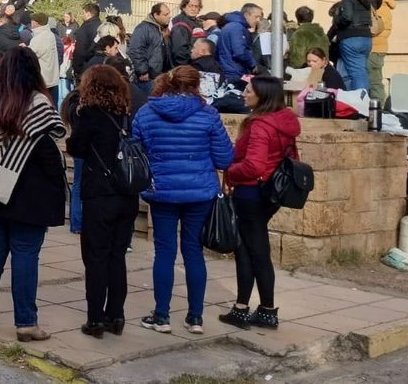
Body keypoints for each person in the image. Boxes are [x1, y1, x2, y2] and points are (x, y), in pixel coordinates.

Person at [0, 47, 65, 341]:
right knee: (25, 254)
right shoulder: (37, 103)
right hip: (29, 193)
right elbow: (47, 150)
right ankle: (26, 323)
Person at [131, 66, 234, 334]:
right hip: (199, 192)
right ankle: (195, 317)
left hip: (162, 190)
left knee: (164, 252)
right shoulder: (208, 115)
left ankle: (162, 315)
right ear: (196, 85)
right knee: (193, 252)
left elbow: (136, 153)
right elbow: (225, 159)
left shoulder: (146, 113)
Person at [220, 76, 299, 331]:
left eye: (249, 90)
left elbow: (254, 165)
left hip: (251, 192)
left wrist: (231, 172)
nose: (244, 94)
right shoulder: (284, 123)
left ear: (262, 96)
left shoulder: (260, 126)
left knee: (251, 251)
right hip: (269, 195)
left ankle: (252, 309)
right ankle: (258, 309)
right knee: (255, 249)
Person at [66, 66, 138, 338]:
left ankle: (95, 319)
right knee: (116, 257)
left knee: (95, 258)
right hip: (126, 194)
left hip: (99, 194)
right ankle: (116, 315)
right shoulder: (126, 115)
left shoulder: (90, 115)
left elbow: (77, 147)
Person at [328, 0, 377, 91]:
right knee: (360, 71)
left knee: (355, 74)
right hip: (366, 38)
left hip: (351, 38)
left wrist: (338, 22)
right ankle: (357, 100)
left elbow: (347, 17)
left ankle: (361, 103)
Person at [128, 3, 171, 94]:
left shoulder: (161, 28)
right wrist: (142, 71)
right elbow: (135, 49)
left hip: (160, 75)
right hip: (148, 77)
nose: (169, 17)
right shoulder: (143, 28)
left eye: (169, 14)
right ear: (156, 15)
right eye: (165, 14)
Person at [217, 4, 263, 80]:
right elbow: (240, 52)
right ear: (247, 15)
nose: (258, 20)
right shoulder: (237, 28)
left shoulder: (233, 26)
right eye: (256, 17)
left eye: (260, 17)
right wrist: (253, 64)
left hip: (229, 70)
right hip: (235, 72)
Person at [370, 0, 395, 105]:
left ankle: (378, 108)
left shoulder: (380, 8)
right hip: (379, 47)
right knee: (375, 79)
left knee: (374, 80)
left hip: (375, 48)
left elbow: (376, 28)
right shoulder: (384, 7)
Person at [28, 13, 60, 102]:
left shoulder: (39, 38)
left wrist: (24, 49)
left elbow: (30, 56)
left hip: (43, 80)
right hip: (52, 78)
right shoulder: (50, 34)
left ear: (36, 23)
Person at [170, 0, 204, 67]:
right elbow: (179, 50)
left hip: (196, 63)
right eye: (190, 6)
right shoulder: (180, 24)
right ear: (183, 7)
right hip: (186, 65)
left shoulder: (196, 22)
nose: (193, 9)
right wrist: (184, 68)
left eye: (196, 6)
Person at [71, 3, 102, 78]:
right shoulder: (102, 26)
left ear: (88, 14)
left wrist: (76, 67)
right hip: (100, 65)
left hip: (86, 67)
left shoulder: (85, 28)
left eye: (83, 13)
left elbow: (80, 50)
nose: (82, 15)